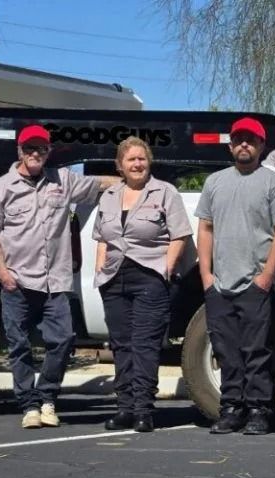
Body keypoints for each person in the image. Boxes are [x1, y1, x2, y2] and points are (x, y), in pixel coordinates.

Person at [0, 125, 119, 429]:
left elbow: (98, 184)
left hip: (55, 283)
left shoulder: (63, 180)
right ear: (19, 151)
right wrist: (3, 273)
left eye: (41, 149)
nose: (35, 154)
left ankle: (48, 398)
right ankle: (29, 405)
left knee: (64, 340)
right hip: (17, 282)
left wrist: (134, 180)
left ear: (49, 152)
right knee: (19, 345)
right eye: (30, 148)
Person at [196, 117, 275, 435]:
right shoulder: (214, 182)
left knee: (257, 351)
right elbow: (205, 228)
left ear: (261, 146)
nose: (244, 144)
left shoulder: (273, 182)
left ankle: (259, 410)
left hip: (256, 282)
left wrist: (267, 275)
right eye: (239, 139)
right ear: (230, 145)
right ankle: (230, 409)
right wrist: (206, 277)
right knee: (226, 350)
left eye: (251, 140)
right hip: (220, 284)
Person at [93, 136, 193, 433]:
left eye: (142, 158)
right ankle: (124, 407)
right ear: (120, 166)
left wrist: (165, 269)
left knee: (144, 345)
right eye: (131, 159)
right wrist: (100, 271)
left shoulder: (165, 192)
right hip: (113, 277)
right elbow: (102, 238)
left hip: (149, 275)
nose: (137, 164)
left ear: (149, 162)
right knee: (120, 345)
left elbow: (180, 236)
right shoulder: (110, 195)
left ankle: (143, 410)